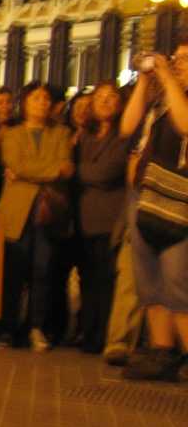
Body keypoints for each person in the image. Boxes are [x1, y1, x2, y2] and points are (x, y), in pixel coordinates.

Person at [119, 37, 188, 381]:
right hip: (144, 196)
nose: (177, 64)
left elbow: (185, 124)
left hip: (180, 199)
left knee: (178, 279)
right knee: (149, 277)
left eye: (185, 60)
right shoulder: (159, 100)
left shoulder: (178, 100)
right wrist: (145, 80)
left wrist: (169, 79)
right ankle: (162, 351)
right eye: (175, 59)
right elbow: (127, 127)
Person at [0, 82, 74, 351]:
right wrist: (51, 170)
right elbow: (15, 163)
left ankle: (36, 326)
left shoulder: (62, 133)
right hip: (17, 210)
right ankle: (6, 328)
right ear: (25, 103)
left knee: (43, 269)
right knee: (12, 270)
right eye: (35, 98)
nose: (41, 103)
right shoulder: (12, 134)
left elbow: (66, 168)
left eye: (45, 99)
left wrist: (28, 173)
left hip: (47, 211)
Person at [74, 82, 127, 354]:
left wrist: (75, 170)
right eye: (100, 97)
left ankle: (103, 334)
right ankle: (87, 329)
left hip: (109, 218)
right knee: (88, 278)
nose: (105, 102)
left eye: (112, 97)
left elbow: (107, 174)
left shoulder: (124, 136)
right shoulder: (83, 136)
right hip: (83, 218)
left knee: (106, 279)